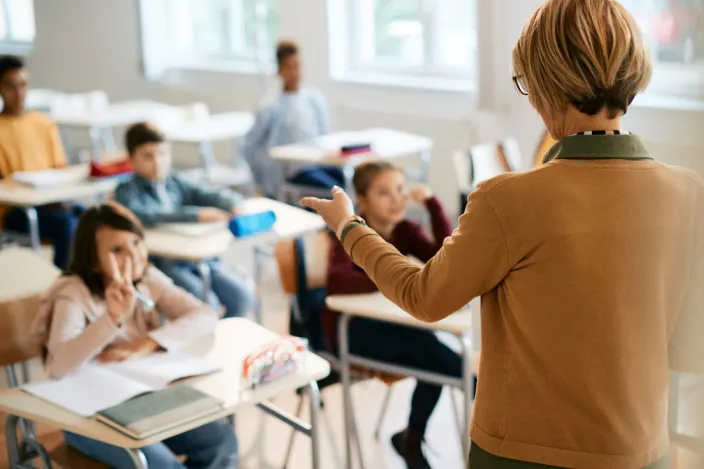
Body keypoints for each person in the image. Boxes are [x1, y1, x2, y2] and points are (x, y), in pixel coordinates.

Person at [302, 0, 704, 469]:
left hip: (521, 454)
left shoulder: (507, 199)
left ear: (544, 85)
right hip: (642, 452)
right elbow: (693, 352)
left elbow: (425, 296)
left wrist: (349, 227)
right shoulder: (691, 195)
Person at [30, 203, 237, 468]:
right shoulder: (73, 294)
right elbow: (59, 366)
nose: (133, 255)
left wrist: (147, 342)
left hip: (144, 397)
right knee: (159, 465)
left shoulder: (147, 277)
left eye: (136, 243)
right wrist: (112, 319)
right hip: (89, 414)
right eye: (117, 250)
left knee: (221, 441)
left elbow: (204, 315)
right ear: (92, 261)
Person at [323, 161, 468, 469]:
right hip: (357, 332)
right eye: (384, 192)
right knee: (454, 367)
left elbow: (446, 258)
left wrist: (432, 205)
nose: (397, 198)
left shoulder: (404, 229)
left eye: (401, 189)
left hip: (398, 326)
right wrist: (393, 275)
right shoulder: (349, 231)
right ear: (361, 200)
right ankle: (412, 441)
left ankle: (411, 439)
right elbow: (338, 279)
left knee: (446, 364)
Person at [115, 122, 255, 318]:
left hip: (198, 259)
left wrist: (233, 204)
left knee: (241, 297)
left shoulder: (175, 182)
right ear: (131, 159)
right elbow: (147, 214)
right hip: (163, 264)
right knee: (207, 304)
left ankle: (221, 338)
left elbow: (211, 194)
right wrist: (196, 215)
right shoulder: (126, 191)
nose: (157, 162)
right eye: (147, 156)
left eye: (162, 153)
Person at [0, 55, 80, 270]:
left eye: (23, 85)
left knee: (94, 218)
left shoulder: (44, 123)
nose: (19, 93)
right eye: (10, 86)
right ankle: (60, 285)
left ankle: (88, 284)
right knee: (67, 225)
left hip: (50, 201)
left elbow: (59, 169)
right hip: (15, 211)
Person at [243, 40, 342, 198]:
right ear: (280, 71)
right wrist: (261, 181)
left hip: (319, 163)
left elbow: (325, 136)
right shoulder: (270, 106)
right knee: (336, 193)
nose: (294, 72)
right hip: (293, 171)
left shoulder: (314, 99)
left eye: (297, 66)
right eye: (289, 67)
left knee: (352, 182)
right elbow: (250, 146)